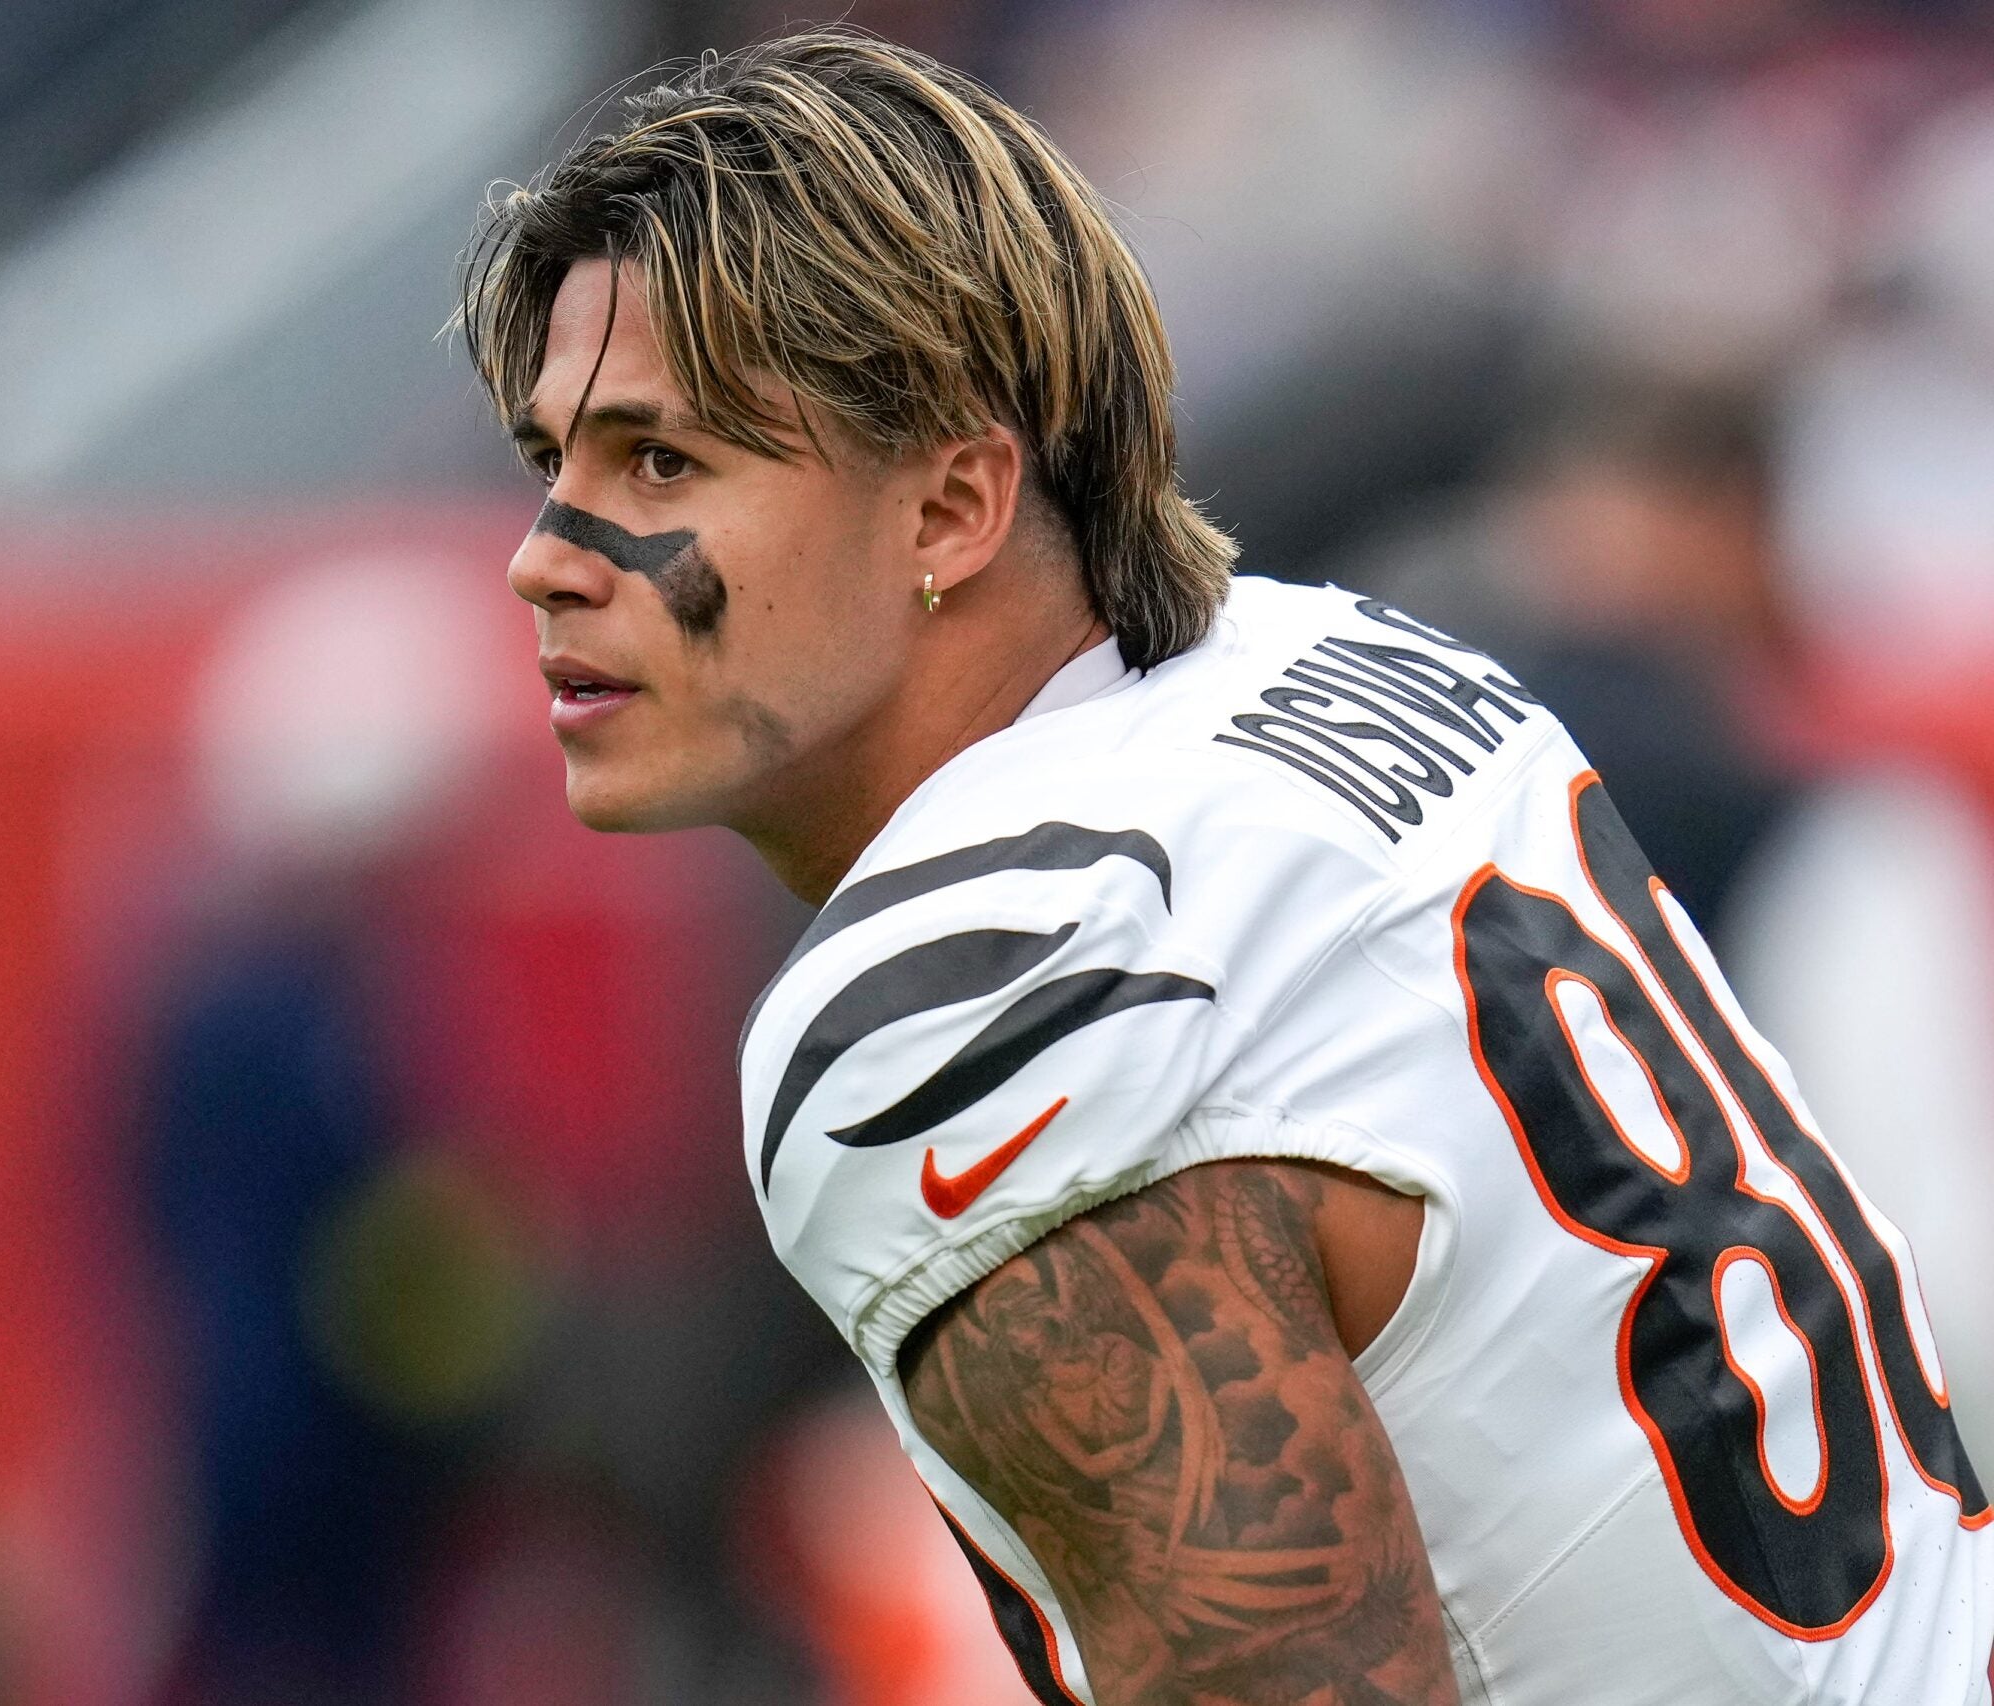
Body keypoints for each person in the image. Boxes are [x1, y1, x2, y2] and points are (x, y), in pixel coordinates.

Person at [457, 30, 1992, 1706]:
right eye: (556, 465)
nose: (548, 559)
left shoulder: (974, 992)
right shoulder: (1330, 662)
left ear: (953, 504)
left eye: (659, 462)